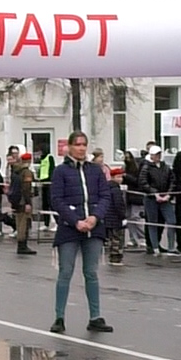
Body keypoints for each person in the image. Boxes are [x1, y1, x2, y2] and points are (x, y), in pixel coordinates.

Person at [49, 132, 112, 334]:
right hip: (70, 228)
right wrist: (75, 220)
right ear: (69, 146)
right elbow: (56, 200)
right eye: (77, 144)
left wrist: (95, 217)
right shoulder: (61, 171)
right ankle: (59, 317)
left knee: (91, 272)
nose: (82, 148)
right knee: (65, 272)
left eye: (84, 144)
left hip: (93, 228)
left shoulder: (95, 170)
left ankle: (95, 317)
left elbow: (105, 196)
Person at [8, 151, 38, 255]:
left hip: (16, 200)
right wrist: (28, 202)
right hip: (23, 201)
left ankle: (21, 244)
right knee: (24, 223)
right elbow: (26, 188)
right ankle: (22, 245)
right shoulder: (26, 172)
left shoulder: (15, 170)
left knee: (19, 222)